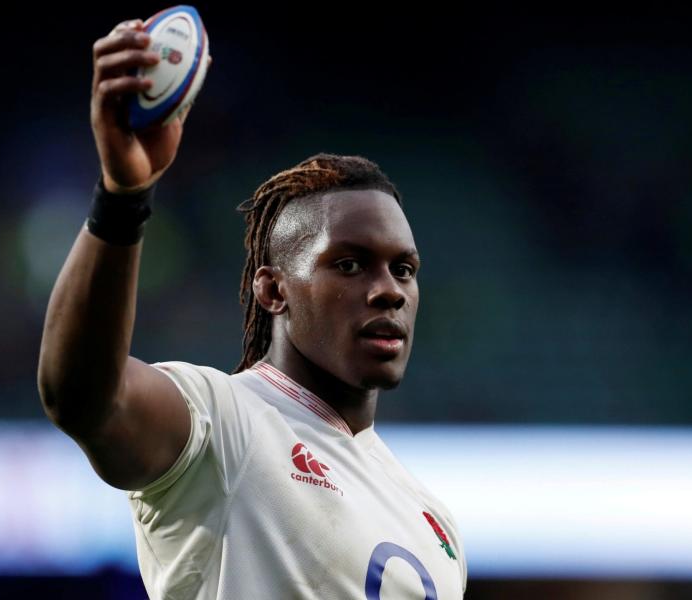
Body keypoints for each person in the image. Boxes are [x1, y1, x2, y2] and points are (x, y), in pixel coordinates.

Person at [36, 16, 468, 600]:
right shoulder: (227, 422)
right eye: (348, 263)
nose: (389, 289)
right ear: (272, 291)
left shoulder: (434, 524)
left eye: (404, 269)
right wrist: (122, 195)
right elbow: (87, 398)